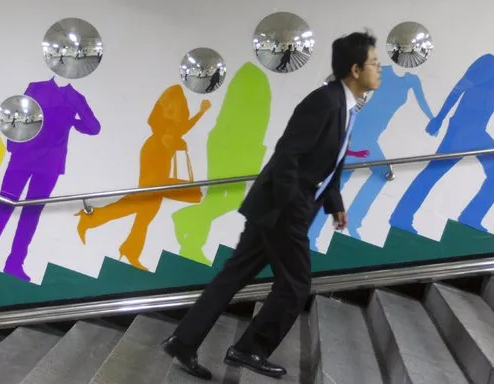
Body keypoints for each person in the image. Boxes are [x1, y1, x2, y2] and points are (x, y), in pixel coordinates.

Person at [161, 31, 382, 380]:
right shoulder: (324, 102)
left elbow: (328, 162)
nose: (379, 68)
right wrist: (293, 208)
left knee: (232, 277)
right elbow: (287, 156)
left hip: (277, 207)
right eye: (374, 62)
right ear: (355, 69)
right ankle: (248, 349)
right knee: (295, 285)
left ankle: (183, 341)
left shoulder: (345, 106)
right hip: (282, 208)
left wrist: (334, 203)